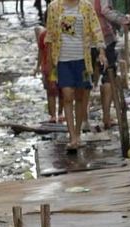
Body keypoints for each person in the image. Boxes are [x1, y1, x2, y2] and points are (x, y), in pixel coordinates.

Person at [44, 0, 106, 151]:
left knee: (80, 96)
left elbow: (96, 30)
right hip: (63, 60)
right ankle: (72, 136)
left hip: (82, 60)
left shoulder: (86, 7)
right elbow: (50, 35)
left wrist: (101, 52)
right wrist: (50, 63)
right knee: (67, 95)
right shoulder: (54, 7)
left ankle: (78, 133)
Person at [89, 0, 130, 129]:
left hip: (83, 42)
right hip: (103, 38)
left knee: (86, 80)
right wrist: (126, 19)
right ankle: (106, 117)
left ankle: (83, 120)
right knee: (108, 75)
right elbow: (105, 11)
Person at [34, 26, 63, 123]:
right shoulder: (45, 35)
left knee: (53, 91)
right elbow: (41, 52)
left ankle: (55, 115)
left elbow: (40, 52)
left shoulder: (44, 35)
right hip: (53, 66)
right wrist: (38, 66)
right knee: (58, 90)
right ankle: (57, 114)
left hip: (53, 66)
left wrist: (39, 66)